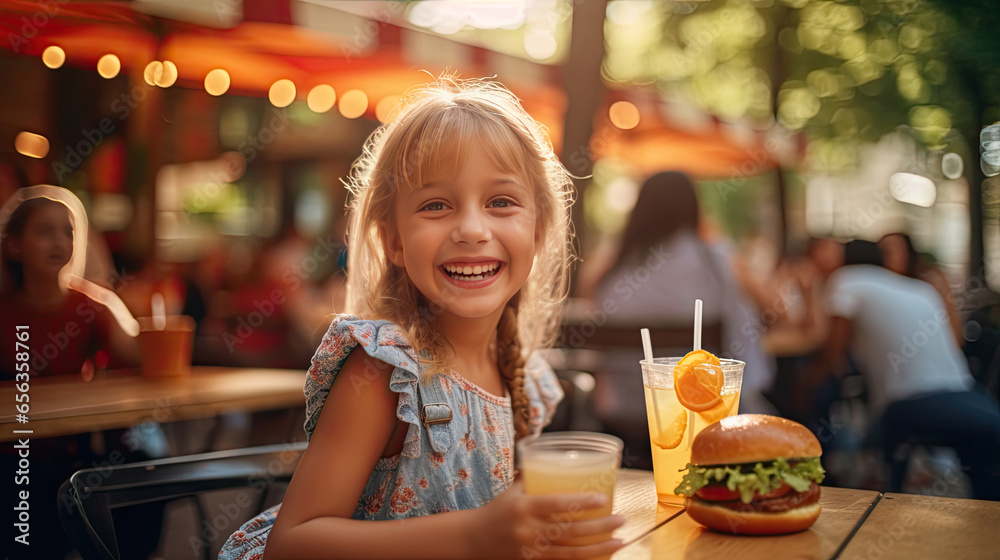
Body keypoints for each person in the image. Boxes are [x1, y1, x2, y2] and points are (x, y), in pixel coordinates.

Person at [220, 77, 625, 560]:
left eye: (501, 202)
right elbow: (292, 544)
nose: (472, 230)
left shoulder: (525, 381)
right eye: (436, 205)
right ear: (392, 240)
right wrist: (475, 535)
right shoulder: (384, 371)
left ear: (537, 232)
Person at [807, 240, 1000, 499]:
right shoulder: (920, 289)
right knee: (983, 465)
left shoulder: (846, 279)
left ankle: (820, 477)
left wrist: (808, 382)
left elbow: (831, 352)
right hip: (967, 395)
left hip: (909, 403)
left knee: (815, 394)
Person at [592, 171, 776, 415]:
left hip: (623, 411)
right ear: (694, 209)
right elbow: (774, 308)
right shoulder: (716, 261)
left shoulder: (612, 269)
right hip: (706, 412)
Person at [0, 186, 137, 379]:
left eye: (68, 232)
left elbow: (136, 354)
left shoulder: (93, 304)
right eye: (44, 231)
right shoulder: (5, 311)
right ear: (15, 244)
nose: (59, 243)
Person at [879, 232, 962, 346]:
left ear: (908, 254)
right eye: (883, 251)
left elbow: (954, 337)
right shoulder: (878, 291)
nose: (886, 257)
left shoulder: (928, 287)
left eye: (892, 251)